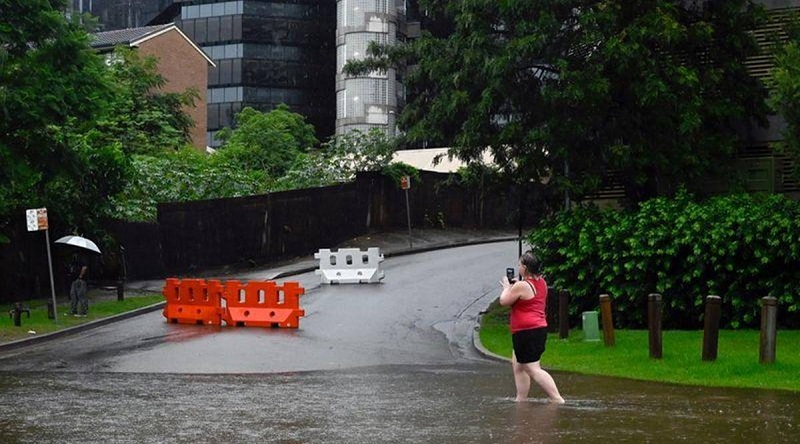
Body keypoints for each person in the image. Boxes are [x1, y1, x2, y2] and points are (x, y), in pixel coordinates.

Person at [499, 251, 564, 403]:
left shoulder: (522, 285)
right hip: (536, 329)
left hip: (527, 331)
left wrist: (507, 287)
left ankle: (557, 399)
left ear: (525, 268)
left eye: (520, 264)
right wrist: (514, 287)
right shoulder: (541, 282)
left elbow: (504, 301)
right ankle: (521, 398)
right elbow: (526, 299)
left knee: (531, 368)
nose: (518, 267)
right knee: (518, 365)